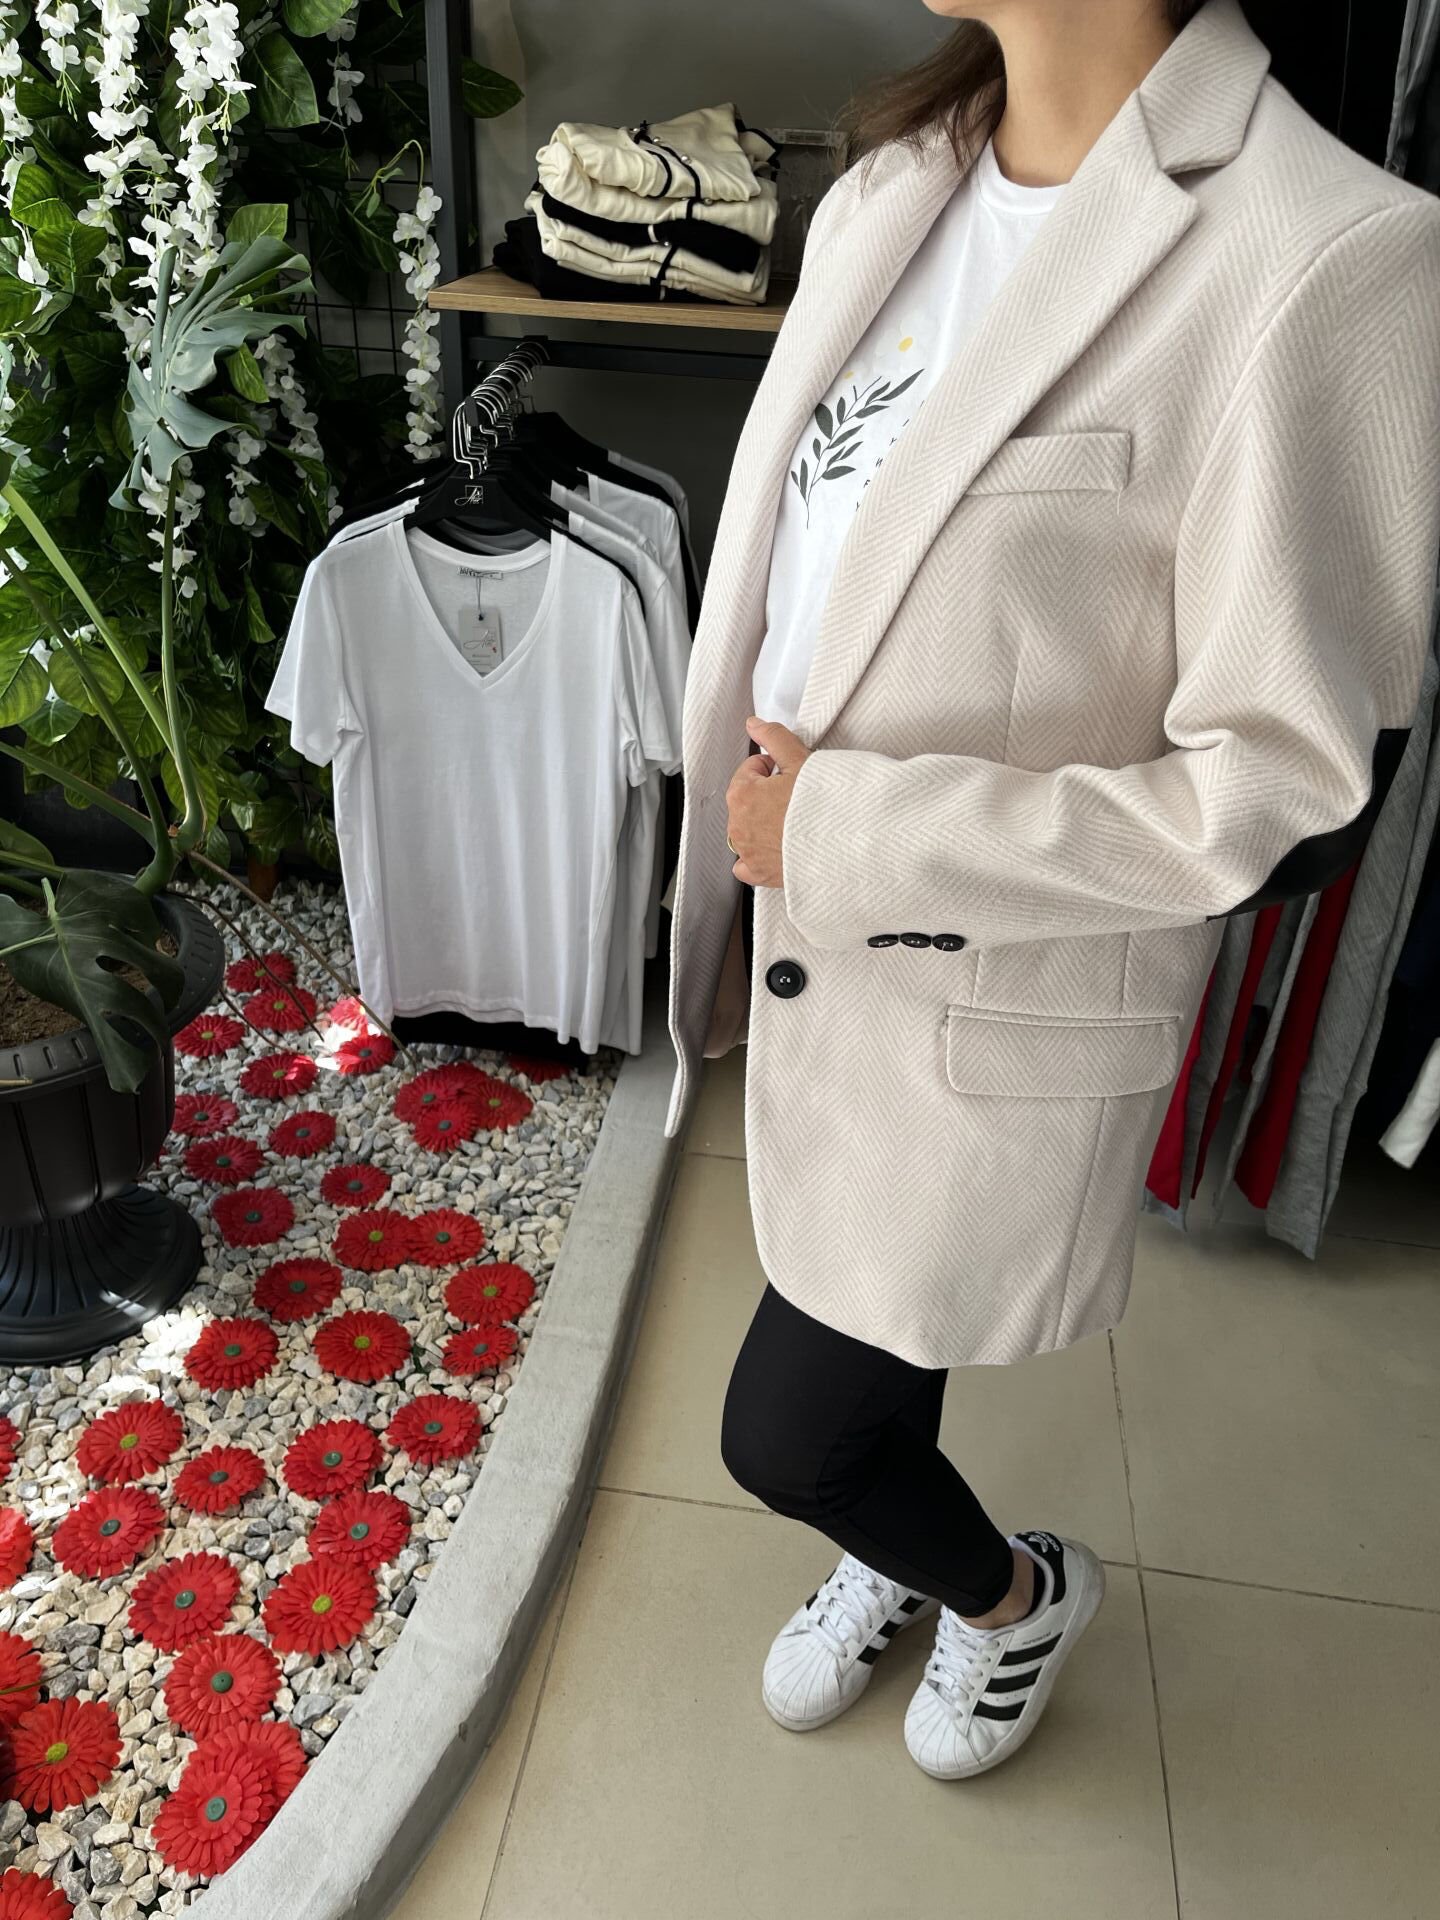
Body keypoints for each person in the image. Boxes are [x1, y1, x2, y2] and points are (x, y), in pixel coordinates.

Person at [663, 0, 1440, 1780]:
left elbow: (1284, 793)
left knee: (788, 1436)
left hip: (981, 989)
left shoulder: (1330, 252)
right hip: (807, 952)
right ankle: (897, 1543)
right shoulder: (898, 178)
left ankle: (1014, 1597)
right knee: (884, 1341)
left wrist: (849, 836)